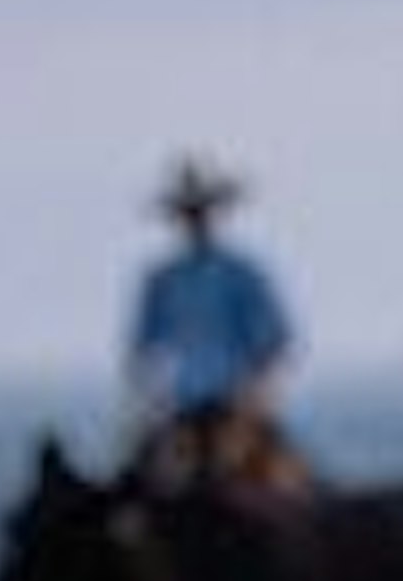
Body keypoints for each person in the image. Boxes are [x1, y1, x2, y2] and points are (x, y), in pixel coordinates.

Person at [122, 154, 306, 490]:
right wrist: (150, 400)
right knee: (140, 488)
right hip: (180, 407)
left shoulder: (242, 273)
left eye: (202, 211)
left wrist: (254, 394)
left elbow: (275, 341)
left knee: (285, 490)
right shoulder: (162, 279)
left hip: (236, 405)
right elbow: (142, 349)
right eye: (189, 212)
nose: (196, 220)